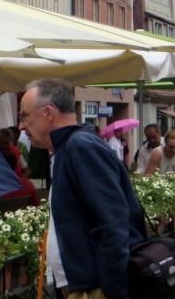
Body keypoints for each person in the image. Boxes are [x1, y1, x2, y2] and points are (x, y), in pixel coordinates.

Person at [19, 78, 145, 299]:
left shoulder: (81, 147)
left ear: (48, 113)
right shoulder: (66, 150)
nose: (21, 126)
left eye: (24, 116)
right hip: (82, 283)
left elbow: (114, 220)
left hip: (95, 286)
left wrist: (112, 288)